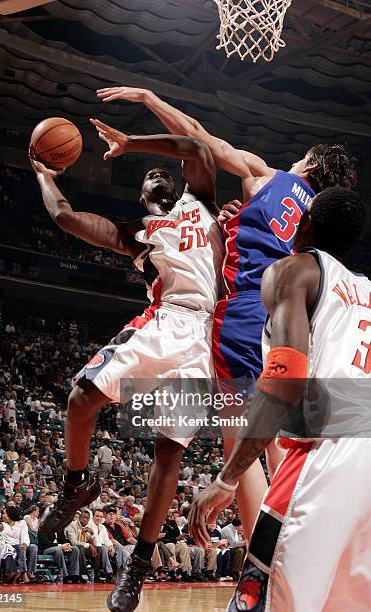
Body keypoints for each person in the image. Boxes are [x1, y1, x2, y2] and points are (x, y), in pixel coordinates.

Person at [97, 85, 358, 540]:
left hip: (242, 315)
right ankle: (303, 539)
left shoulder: (268, 176)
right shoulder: (320, 222)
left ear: (308, 165)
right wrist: (230, 219)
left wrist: (147, 100)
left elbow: (200, 139)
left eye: (300, 159)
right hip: (295, 325)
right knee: (278, 436)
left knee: (237, 438)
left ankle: (258, 558)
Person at [30, 122, 224, 609]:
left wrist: (132, 144)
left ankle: (137, 567)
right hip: (164, 323)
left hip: (204, 338)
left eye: (163, 171)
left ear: (178, 185)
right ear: (142, 197)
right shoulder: (141, 239)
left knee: (167, 455)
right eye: (146, 175)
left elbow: (198, 148)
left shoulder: (200, 203)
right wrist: (43, 174)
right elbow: (66, 218)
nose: (155, 173)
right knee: (80, 398)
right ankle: (76, 484)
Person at [188, 187, 371, 610]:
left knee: (266, 601)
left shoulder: (294, 271)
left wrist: (226, 479)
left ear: (302, 223)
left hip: (323, 457)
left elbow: (284, 384)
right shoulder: (365, 290)